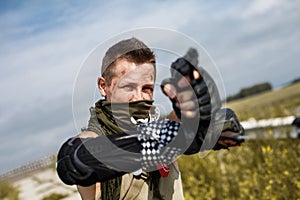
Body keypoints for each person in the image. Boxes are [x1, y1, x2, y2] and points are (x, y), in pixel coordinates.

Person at [56, 37, 244, 200]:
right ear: (104, 86)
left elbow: (210, 124)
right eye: (128, 87)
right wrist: (162, 141)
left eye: (146, 88)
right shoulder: (96, 137)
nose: (139, 97)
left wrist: (202, 118)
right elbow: (74, 160)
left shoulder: (158, 126)